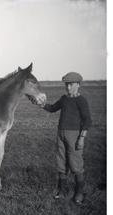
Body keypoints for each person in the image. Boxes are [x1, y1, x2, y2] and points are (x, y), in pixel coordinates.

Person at [39, 72, 92, 204]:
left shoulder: (81, 101)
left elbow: (87, 120)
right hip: (60, 134)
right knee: (61, 162)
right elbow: (52, 108)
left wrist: (82, 138)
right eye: (66, 84)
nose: (68, 87)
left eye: (71, 84)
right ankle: (61, 191)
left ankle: (79, 193)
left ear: (78, 85)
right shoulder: (64, 99)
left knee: (76, 163)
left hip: (74, 135)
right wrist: (42, 105)